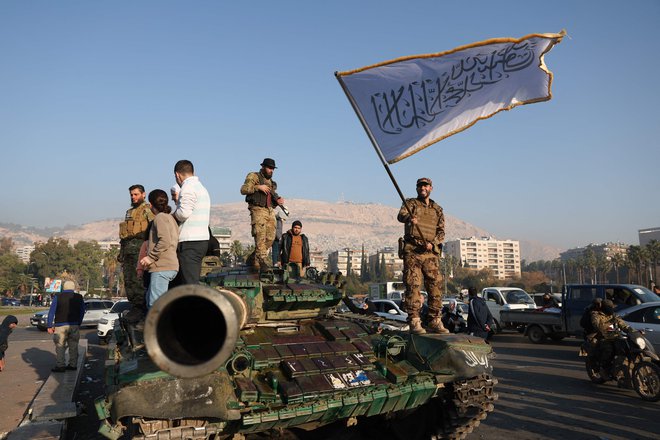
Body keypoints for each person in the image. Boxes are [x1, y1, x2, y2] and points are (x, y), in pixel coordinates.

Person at [397, 177, 448, 334]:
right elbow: (401, 216)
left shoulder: (437, 209)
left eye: (425, 186)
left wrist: (433, 243)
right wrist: (409, 219)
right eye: (419, 186)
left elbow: (441, 231)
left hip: (430, 254)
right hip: (413, 251)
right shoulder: (411, 203)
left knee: (435, 287)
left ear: (431, 188)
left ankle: (434, 320)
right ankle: (414, 320)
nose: (422, 188)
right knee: (413, 285)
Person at [240, 158, 286, 271]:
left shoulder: (271, 183)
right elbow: (243, 189)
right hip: (258, 209)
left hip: (269, 210)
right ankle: (262, 260)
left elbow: (271, 199)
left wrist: (278, 200)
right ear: (263, 167)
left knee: (271, 237)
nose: (271, 171)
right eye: (269, 168)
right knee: (260, 235)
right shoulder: (254, 176)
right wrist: (258, 187)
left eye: (273, 169)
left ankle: (253, 257)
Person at [172, 160, 211, 286]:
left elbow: (183, 213)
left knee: (190, 284)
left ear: (177, 175)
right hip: (201, 240)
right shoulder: (201, 188)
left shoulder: (187, 188)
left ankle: (194, 305)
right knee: (192, 280)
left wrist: (172, 216)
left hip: (190, 242)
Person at [118, 184, 154, 317]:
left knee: (139, 280)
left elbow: (153, 228)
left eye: (136, 194)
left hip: (140, 250)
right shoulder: (129, 212)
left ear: (143, 194)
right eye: (131, 195)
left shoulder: (147, 210)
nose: (133, 197)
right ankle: (134, 306)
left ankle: (141, 307)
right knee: (129, 280)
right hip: (127, 251)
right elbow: (125, 234)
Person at [139, 189, 180, 308]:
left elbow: (165, 241)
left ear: (151, 205)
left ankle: (158, 326)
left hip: (162, 267)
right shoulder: (170, 218)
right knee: (151, 301)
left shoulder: (160, 218)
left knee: (155, 305)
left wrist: (150, 257)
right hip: (168, 266)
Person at [46, 281, 85, 372]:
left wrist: (49, 325)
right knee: (73, 346)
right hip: (74, 325)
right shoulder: (79, 297)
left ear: (64, 287)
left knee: (60, 346)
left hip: (60, 325)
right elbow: (82, 311)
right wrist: (78, 322)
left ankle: (60, 366)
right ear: (73, 288)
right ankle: (73, 365)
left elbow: (52, 312)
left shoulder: (58, 297)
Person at [591, 298, 632, 379]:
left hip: (615, 337)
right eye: (609, 307)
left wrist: (631, 330)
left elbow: (622, 324)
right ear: (605, 307)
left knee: (627, 348)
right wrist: (611, 322)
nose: (611, 309)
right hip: (603, 338)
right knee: (608, 350)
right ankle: (604, 369)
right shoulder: (596, 315)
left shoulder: (612, 315)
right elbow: (598, 327)